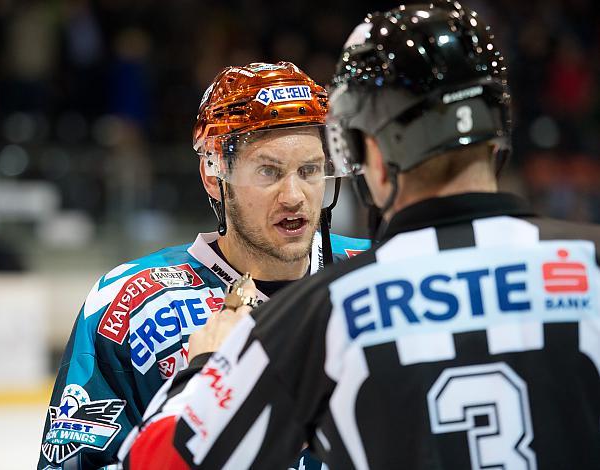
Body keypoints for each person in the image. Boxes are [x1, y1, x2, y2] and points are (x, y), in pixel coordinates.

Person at [120, 2, 600, 469]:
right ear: (499, 127)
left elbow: (159, 460)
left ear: (368, 151)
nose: (295, 195)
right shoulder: (591, 266)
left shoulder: (325, 309)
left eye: (311, 168)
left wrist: (203, 368)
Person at [38, 61, 369, 470]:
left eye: (310, 170)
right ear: (215, 177)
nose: (295, 196)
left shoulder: (374, 276)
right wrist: (204, 385)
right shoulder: (130, 305)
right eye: (269, 171)